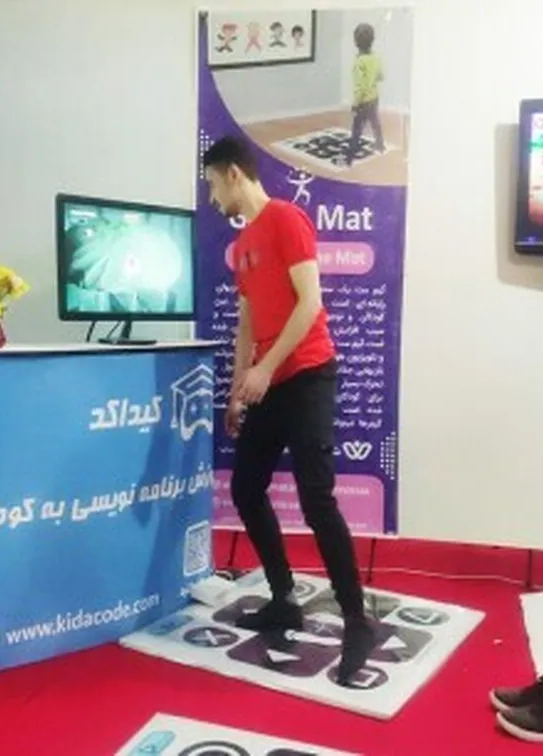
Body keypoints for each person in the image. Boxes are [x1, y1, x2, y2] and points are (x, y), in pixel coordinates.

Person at [201, 136, 375, 683]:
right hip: (269, 380)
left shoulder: (285, 218)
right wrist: (238, 388)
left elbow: (310, 303)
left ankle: (357, 621)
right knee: (246, 488)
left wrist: (266, 368)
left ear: (233, 173)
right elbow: (247, 322)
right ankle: (283, 598)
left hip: (309, 374)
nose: (212, 198)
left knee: (316, 498)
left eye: (212, 184)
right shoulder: (243, 244)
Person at [344, 23, 385, 167]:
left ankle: (351, 154)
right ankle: (380, 145)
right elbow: (380, 76)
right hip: (374, 97)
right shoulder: (375, 58)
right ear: (372, 40)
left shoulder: (359, 62)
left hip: (363, 101)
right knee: (375, 122)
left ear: (356, 42)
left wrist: (355, 103)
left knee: (357, 127)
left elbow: (359, 86)